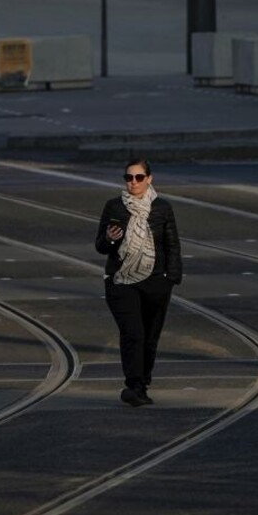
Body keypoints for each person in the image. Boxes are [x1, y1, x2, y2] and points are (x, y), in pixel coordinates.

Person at [95, 159, 182, 407]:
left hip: (156, 282)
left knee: (150, 336)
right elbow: (100, 245)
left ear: (149, 179)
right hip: (122, 281)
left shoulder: (162, 208)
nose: (133, 182)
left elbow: (172, 245)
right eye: (129, 178)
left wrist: (171, 279)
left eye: (139, 177)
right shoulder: (114, 207)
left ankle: (142, 383)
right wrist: (110, 240)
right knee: (133, 333)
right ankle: (133, 385)